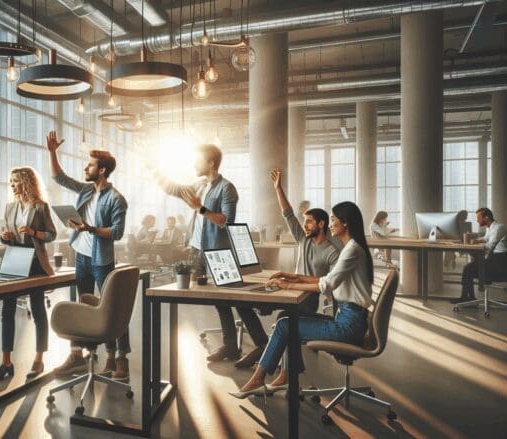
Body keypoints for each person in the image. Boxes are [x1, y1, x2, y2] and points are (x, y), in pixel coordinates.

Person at [230, 201, 374, 398]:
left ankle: (259, 379)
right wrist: (293, 277)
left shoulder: (351, 250)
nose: (331, 224)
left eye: (333, 220)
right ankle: (285, 375)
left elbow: (326, 286)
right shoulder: (352, 247)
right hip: (349, 318)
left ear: (345, 223)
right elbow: (326, 279)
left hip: (349, 325)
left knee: (284, 326)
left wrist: (287, 285)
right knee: (285, 321)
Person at [155, 144, 267, 365]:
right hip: (199, 251)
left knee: (239, 301)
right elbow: (175, 189)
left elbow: (226, 221)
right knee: (219, 301)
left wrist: (201, 208)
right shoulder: (199, 185)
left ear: (211, 163)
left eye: (198, 160)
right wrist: (155, 170)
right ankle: (231, 347)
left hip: (220, 253)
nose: (194, 165)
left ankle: (262, 345)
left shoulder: (227, 188)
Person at [46, 131, 130, 381]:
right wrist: (52, 152)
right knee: (83, 308)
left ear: (102, 170)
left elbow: (117, 233)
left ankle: (118, 359)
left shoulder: (117, 199)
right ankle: (77, 356)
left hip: (101, 260)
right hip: (81, 257)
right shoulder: (85, 190)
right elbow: (59, 177)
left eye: (91, 164)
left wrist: (89, 229)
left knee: (112, 311)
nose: (86, 167)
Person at [0, 167, 56, 381]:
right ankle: (6, 362)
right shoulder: (10, 208)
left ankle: (38, 359)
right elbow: (5, 237)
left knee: (38, 310)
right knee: (6, 311)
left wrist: (33, 232)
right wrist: (5, 236)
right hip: (14, 261)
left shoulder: (40, 207)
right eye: (10, 181)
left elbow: (51, 234)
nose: (12, 185)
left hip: (35, 263)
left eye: (16, 181)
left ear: (27, 182)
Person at [452, 207, 507, 304]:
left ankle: (467, 298)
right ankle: (469, 297)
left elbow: (490, 245)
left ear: (486, 218)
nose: (477, 220)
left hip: (499, 264)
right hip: (494, 260)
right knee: (468, 268)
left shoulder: (499, 227)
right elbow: (487, 238)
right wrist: (477, 240)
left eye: (478, 218)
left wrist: (475, 245)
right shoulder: (490, 227)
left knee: (468, 269)